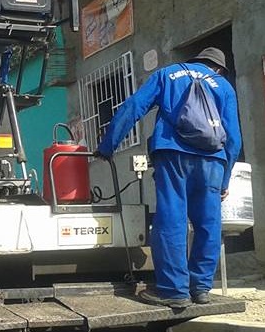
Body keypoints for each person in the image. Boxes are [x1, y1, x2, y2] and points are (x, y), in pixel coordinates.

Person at [95, 47, 242, 308]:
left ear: (195, 60)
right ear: (218, 68)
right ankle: (201, 288)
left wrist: (108, 146)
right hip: (213, 161)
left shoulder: (168, 74)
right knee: (208, 223)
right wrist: (225, 179)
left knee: (172, 220)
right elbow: (233, 138)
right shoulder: (223, 86)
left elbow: (134, 106)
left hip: (173, 154)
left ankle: (174, 291)